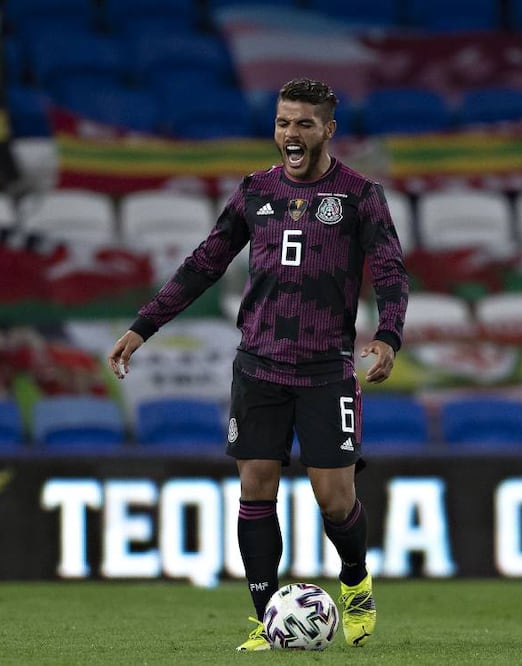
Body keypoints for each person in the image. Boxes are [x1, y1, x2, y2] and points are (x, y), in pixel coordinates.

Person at [107, 78, 409, 651]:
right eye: (282, 122)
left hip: (325, 369)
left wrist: (389, 334)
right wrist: (143, 326)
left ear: (328, 129)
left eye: (303, 124)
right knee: (255, 489)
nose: (290, 135)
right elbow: (204, 264)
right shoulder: (253, 191)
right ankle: (265, 616)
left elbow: (391, 271)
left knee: (335, 500)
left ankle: (356, 582)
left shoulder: (360, 195)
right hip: (259, 365)